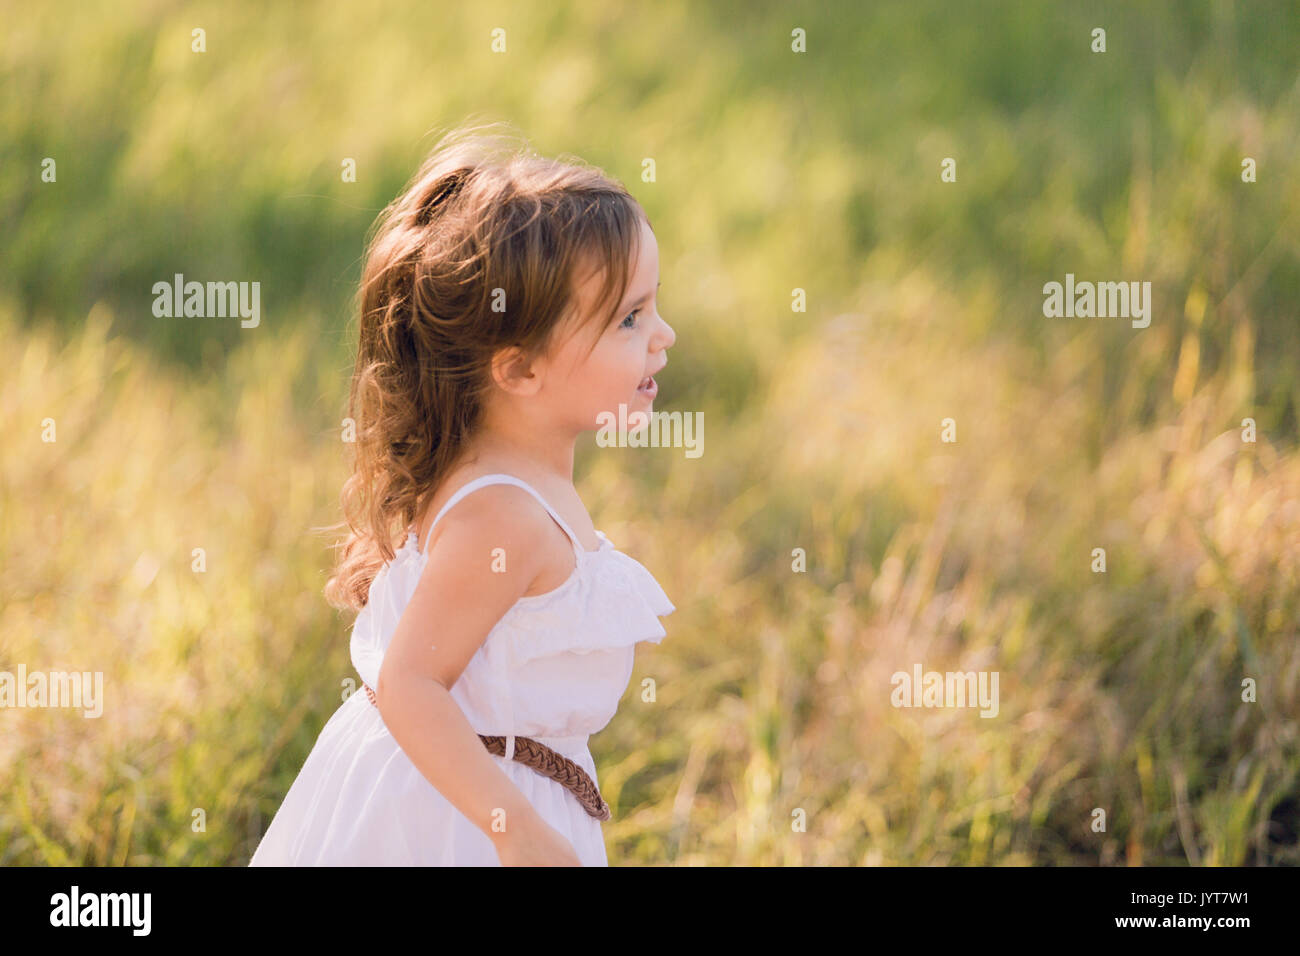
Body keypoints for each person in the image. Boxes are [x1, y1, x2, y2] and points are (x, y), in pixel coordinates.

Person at [249, 121, 676, 866]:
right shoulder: (504, 515)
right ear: (520, 370)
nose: (662, 335)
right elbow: (411, 684)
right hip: (450, 822)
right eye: (629, 319)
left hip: (472, 796)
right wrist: (520, 833)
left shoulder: (508, 474)